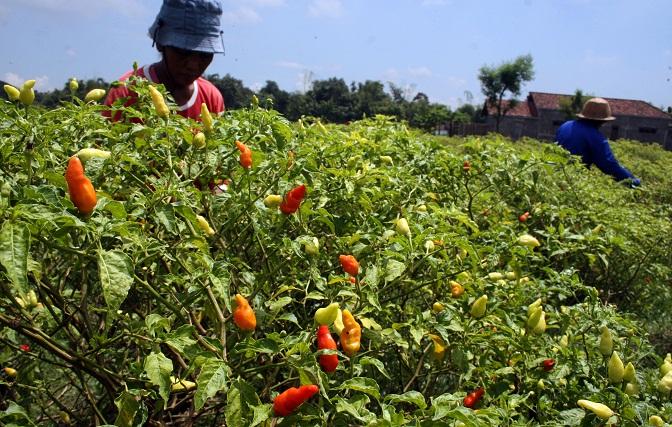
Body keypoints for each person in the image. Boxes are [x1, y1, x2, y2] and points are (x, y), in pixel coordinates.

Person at [104, 0, 225, 120]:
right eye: (183, 51)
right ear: (160, 42)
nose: (192, 65)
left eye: (205, 54)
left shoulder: (211, 98)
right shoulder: (126, 93)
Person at [556, 97, 640, 186]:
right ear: (602, 121)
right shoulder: (595, 137)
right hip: (573, 181)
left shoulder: (565, 125)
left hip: (553, 176)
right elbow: (609, 165)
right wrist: (632, 181)